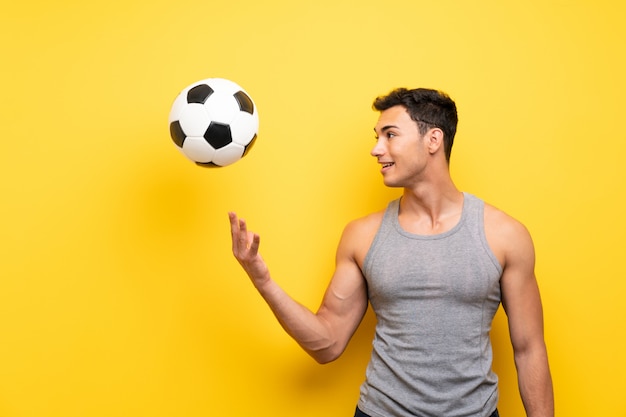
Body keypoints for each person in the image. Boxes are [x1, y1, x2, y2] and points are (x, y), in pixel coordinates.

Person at [228, 88, 554, 417]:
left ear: (433, 140)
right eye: (377, 136)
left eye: (390, 135)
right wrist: (264, 281)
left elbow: (529, 351)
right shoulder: (362, 236)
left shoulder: (505, 235)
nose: (376, 149)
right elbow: (327, 344)